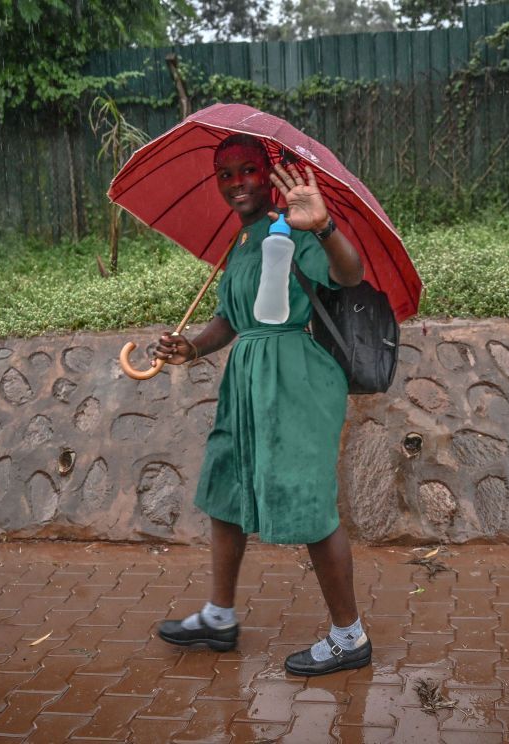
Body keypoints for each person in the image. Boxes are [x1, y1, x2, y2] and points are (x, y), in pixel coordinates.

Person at [152, 133, 370, 676]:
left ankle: (350, 636)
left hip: (294, 378)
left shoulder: (292, 226)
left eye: (246, 170)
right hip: (245, 380)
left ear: (268, 173)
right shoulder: (241, 242)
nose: (235, 183)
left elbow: (350, 274)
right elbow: (233, 318)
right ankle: (219, 617)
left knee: (309, 500)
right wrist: (191, 347)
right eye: (225, 174)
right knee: (226, 490)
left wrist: (321, 225)